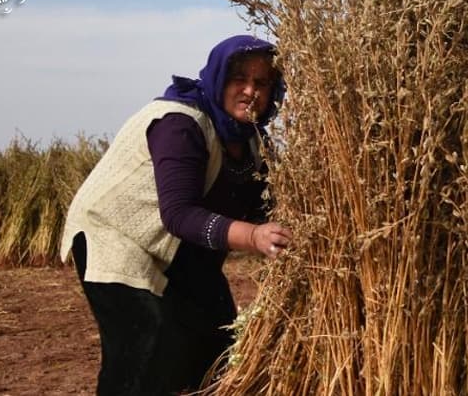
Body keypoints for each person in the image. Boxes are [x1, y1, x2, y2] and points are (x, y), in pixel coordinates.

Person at [59, 35, 293, 395]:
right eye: (239, 79)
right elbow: (179, 213)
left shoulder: (253, 143)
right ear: (218, 79)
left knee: (218, 345)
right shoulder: (180, 124)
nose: (251, 91)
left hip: (179, 251)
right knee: (144, 343)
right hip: (115, 237)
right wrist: (253, 236)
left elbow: (269, 207)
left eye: (262, 83)